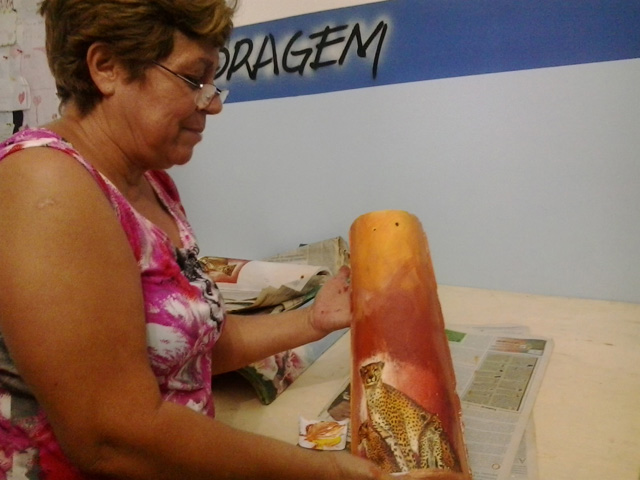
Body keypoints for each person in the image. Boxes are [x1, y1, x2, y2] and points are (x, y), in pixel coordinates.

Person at [0, 1, 398, 479]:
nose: (213, 103)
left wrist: (313, 320)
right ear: (107, 67)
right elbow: (112, 438)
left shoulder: (153, 183)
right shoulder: (45, 184)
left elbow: (201, 346)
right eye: (193, 79)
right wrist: (328, 472)